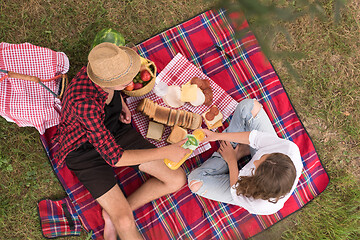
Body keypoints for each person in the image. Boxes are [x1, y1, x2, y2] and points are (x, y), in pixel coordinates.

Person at [53, 42, 190, 240]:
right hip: (83, 152)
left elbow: (114, 88)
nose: (129, 83)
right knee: (125, 222)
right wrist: (166, 152)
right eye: (125, 81)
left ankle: (115, 211)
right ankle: (119, 215)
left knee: (176, 179)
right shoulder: (83, 104)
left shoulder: (99, 68)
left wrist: (121, 103)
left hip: (113, 130)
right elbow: (115, 158)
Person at [188, 99, 303, 215]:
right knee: (249, 106)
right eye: (263, 156)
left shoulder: (258, 204)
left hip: (240, 185)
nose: (256, 160)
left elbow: (235, 189)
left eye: (255, 166)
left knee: (195, 182)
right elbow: (254, 138)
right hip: (259, 161)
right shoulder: (288, 149)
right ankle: (235, 148)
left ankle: (234, 153)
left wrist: (232, 160)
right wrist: (217, 136)